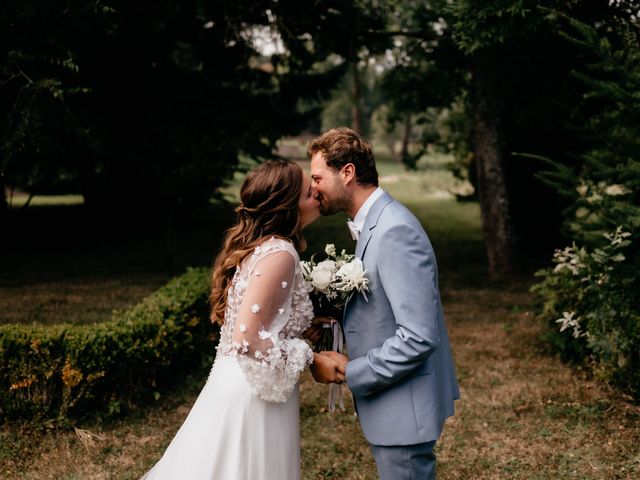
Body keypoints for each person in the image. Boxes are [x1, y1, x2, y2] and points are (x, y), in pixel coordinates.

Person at [141, 160, 345, 480]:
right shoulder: (280, 254)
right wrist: (310, 357)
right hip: (251, 392)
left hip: (246, 381)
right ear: (287, 206)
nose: (317, 193)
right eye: (308, 191)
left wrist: (308, 324)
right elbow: (247, 339)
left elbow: (267, 321)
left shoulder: (270, 248)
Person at [308, 128, 460, 480]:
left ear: (347, 173)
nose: (313, 188)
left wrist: (355, 371)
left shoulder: (394, 231)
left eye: (317, 177)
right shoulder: (374, 225)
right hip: (396, 405)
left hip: (403, 406)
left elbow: (419, 336)